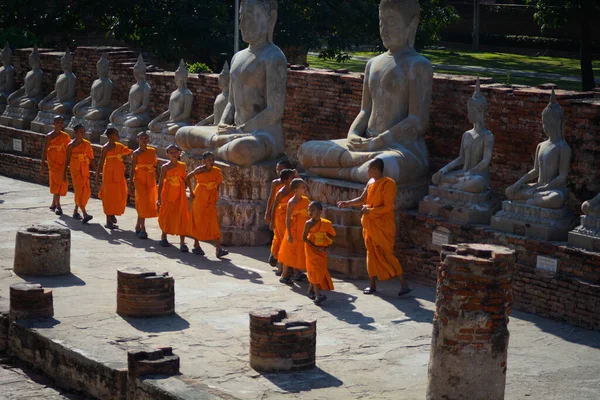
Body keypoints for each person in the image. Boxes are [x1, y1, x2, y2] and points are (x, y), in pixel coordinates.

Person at [338, 158, 411, 296]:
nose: (367, 171)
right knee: (370, 254)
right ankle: (372, 285)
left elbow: (387, 207)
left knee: (387, 254)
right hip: (370, 224)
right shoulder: (370, 182)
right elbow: (362, 199)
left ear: (376, 169)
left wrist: (370, 211)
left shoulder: (389, 184)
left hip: (383, 225)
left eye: (369, 168)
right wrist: (346, 203)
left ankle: (403, 285)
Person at [187, 151, 228, 258]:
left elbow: (218, 184)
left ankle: (218, 249)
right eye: (209, 160)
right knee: (198, 220)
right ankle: (196, 245)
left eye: (213, 159)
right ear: (203, 161)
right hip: (200, 197)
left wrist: (215, 194)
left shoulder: (217, 171)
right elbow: (187, 177)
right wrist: (191, 192)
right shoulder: (199, 170)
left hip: (211, 198)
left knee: (213, 221)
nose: (211, 162)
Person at [96, 128, 133, 229]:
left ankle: (112, 213)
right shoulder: (106, 148)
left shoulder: (119, 146)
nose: (118, 136)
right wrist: (97, 178)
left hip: (119, 175)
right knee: (108, 197)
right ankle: (108, 220)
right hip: (108, 175)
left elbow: (128, 152)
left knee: (121, 194)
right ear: (110, 136)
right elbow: (100, 163)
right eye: (116, 134)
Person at [157, 145, 190, 252]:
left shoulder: (182, 165)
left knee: (182, 216)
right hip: (167, 194)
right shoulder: (165, 167)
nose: (174, 154)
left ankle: (182, 243)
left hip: (180, 195)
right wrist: (158, 198)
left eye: (176, 152)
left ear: (179, 153)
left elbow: (185, 179)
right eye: (171, 153)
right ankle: (164, 236)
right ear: (167, 154)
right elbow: (161, 183)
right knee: (166, 214)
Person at [278, 178, 310, 284]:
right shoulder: (291, 202)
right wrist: (289, 235)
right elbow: (287, 218)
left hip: (302, 230)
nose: (305, 189)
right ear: (296, 190)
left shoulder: (305, 200)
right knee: (289, 252)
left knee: (298, 252)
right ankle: (284, 274)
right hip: (292, 230)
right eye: (302, 188)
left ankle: (297, 273)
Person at [303, 201, 336, 305]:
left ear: (320, 212)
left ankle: (309, 291)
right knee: (313, 269)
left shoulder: (326, 223)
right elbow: (304, 238)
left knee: (318, 270)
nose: (310, 212)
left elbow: (332, 235)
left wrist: (327, 245)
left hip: (322, 249)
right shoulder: (308, 223)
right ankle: (318, 295)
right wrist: (315, 247)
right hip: (311, 249)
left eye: (313, 210)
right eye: (309, 209)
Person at [63, 124, 95, 223]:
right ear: (75, 133)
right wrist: (63, 173)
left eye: (84, 132)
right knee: (79, 190)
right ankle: (85, 213)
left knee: (85, 190)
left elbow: (91, 158)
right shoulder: (70, 146)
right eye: (81, 132)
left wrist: (96, 170)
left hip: (84, 169)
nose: (83, 134)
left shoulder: (87, 144)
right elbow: (67, 160)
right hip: (75, 169)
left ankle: (76, 211)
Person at [129, 131, 158, 239]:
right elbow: (132, 168)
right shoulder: (136, 153)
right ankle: (143, 228)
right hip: (139, 179)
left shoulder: (152, 151)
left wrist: (158, 179)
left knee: (145, 203)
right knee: (142, 202)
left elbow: (155, 166)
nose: (144, 140)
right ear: (138, 140)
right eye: (142, 138)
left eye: (146, 138)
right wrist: (130, 184)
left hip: (150, 179)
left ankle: (137, 225)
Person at [268, 169, 296, 275]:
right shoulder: (281, 192)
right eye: (291, 178)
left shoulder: (295, 189)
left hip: (291, 219)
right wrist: (271, 221)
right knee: (283, 243)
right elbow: (274, 206)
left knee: (290, 244)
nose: (293, 179)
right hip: (280, 220)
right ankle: (281, 267)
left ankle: (289, 267)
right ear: (285, 181)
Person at [40, 116, 70, 215]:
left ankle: (53, 203)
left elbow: (68, 150)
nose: (60, 124)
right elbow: (44, 150)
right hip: (52, 162)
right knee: (57, 182)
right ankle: (58, 205)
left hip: (62, 162)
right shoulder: (49, 136)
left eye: (61, 122)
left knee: (59, 182)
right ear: (54, 124)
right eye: (58, 122)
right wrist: (42, 166)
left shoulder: (65, 136)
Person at [265, 160, 293, 266]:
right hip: (278, 214)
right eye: (277, 169)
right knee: (279, 237)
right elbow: (271, 198)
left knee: (285, 238)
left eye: (281, 169)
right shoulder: (275, 183)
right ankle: (278, 260)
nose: (278, 171)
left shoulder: (293, 184)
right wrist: (267, 213)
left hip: (291, 215)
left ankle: (276, 255)